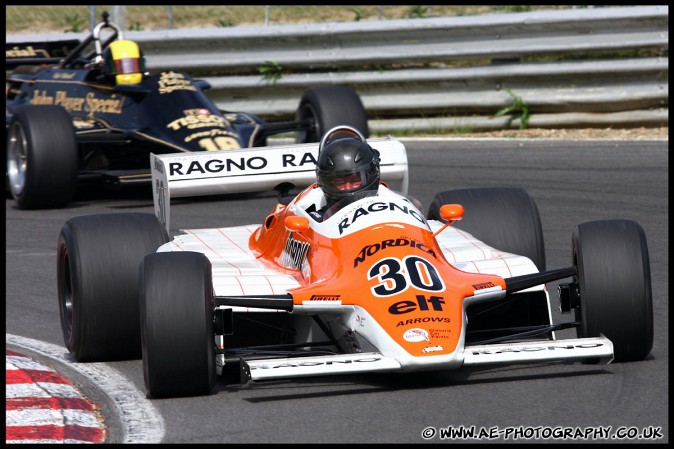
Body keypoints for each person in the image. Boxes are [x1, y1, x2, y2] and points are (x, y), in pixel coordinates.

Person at [307, 126, 381, 222]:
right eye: (340, 182)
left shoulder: (391, 208)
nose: (348, 187)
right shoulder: (317, 220)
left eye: (355, 180)